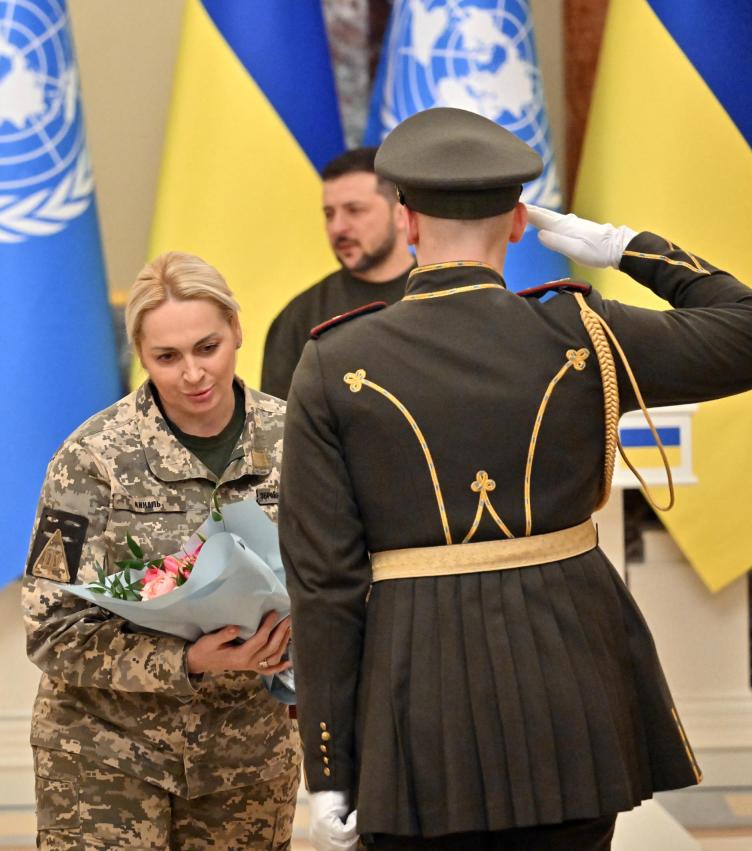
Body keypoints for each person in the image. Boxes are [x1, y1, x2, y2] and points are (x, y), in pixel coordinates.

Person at [281, 106, 752, 851]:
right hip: (574, 686)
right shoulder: (586, 333)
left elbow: (323, 582)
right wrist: (621, 246)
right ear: (518, 223)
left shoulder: (334, 360)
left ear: (406, 222)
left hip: (416, 694)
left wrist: (330, 761)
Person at [24, 252, 299, 849]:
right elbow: (49, 630)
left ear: (237, 331)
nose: (193, 374)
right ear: (141, 357)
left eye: (208, 347)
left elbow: (344, 577)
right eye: (167, 357)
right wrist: (189, 661)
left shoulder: (298, 440)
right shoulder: (88, 458)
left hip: (246, 756)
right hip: (105, 757)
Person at [260, 147, 414, 399]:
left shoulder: (442, 296)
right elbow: (279, 427)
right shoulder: (299, 317)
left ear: (400, 215)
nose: (338, 227)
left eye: (355, 210)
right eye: (329, 214)